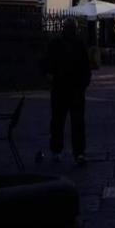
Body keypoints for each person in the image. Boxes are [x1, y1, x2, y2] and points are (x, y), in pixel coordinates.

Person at [45, 19, 91, 164]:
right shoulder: (78, 44)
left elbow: (47, 63)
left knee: (59, 121)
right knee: (73, 122)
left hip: (64, 88)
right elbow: (86, 66)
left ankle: (58, 150)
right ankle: (77, 152)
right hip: (71, 88)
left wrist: (50, 76)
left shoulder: (57, 44)